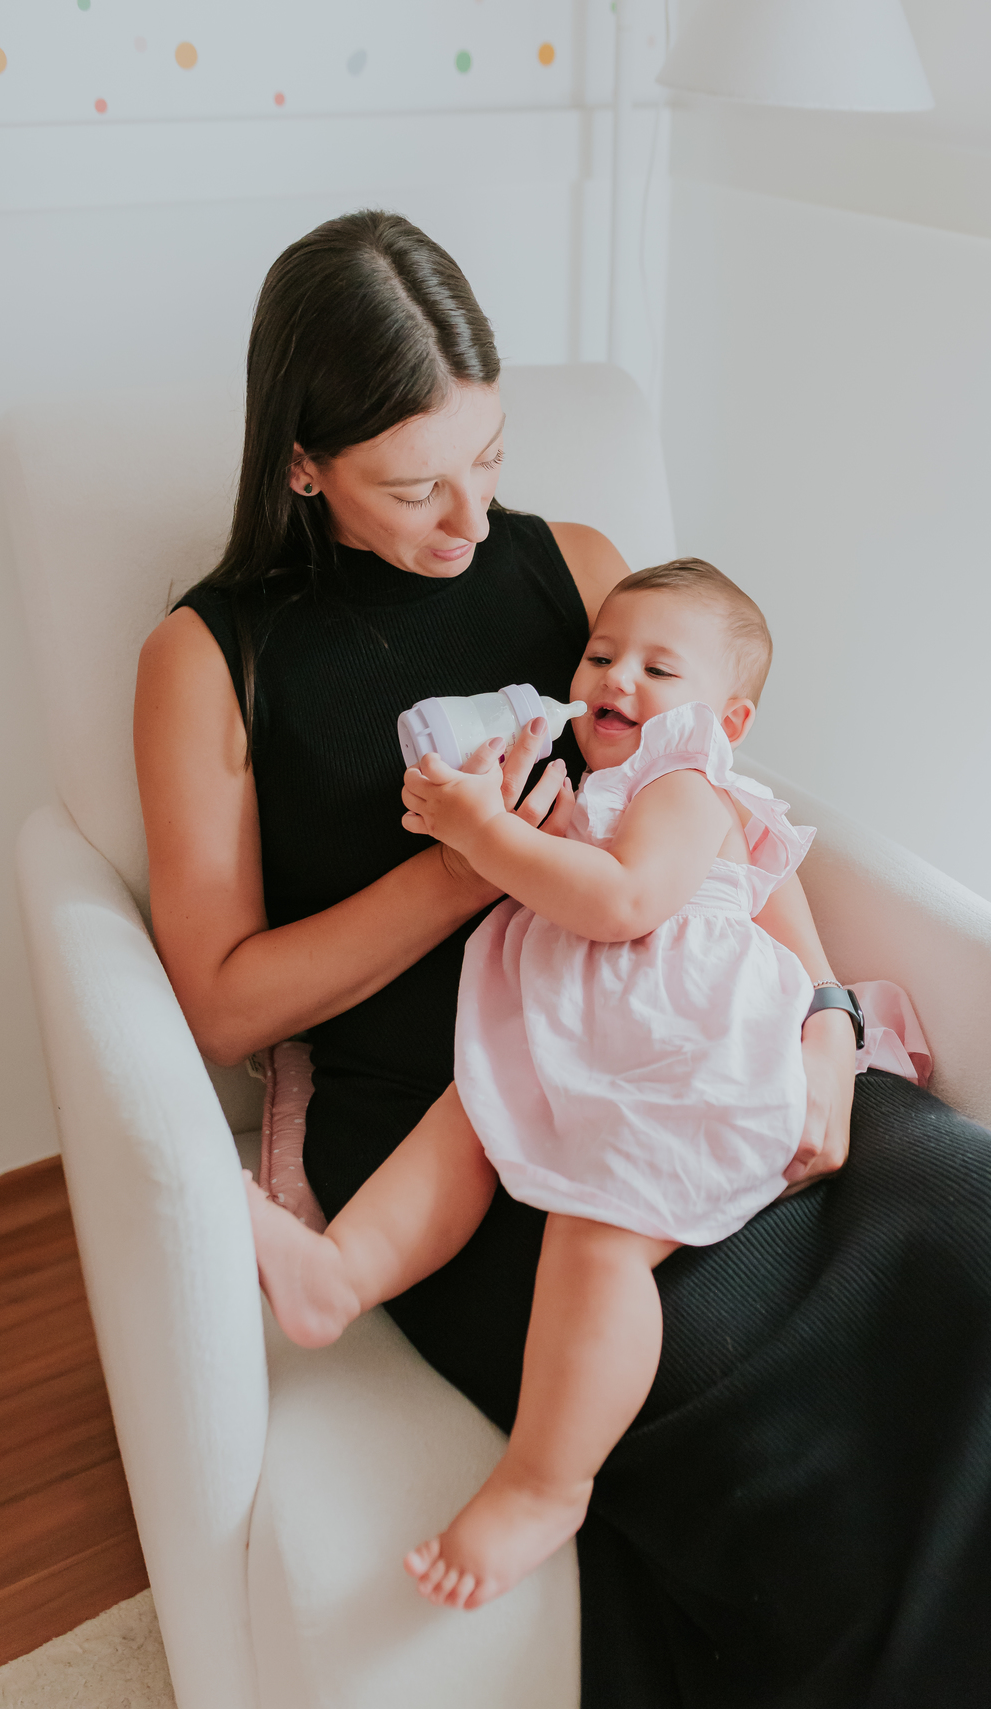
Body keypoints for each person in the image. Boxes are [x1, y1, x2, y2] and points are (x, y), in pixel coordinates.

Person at [134, 209, 991, 1709]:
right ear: (302, 462)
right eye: (418, 487)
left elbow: (723, 813)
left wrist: (826, 1015)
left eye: (491, 457)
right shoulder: (209, 657)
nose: (472, 517)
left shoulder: (575, 567)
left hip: (703, 1034)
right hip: (474, 1134)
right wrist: (474, 868)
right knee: (759, 1388)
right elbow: (221, 1001)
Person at [245, 559, 929, 1610]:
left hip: (688, 1052)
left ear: (726, 720)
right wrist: (483, 817)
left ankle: (546, 1483)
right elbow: (570, 878)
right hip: (593, 1029)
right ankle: (339, 1274)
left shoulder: (688, 783)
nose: (617, 678)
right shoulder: (607, 788)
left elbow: (622, 903)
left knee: (598, 1235)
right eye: (602, 654)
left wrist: (486, 836)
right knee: (472, 1114)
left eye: (659, 668)